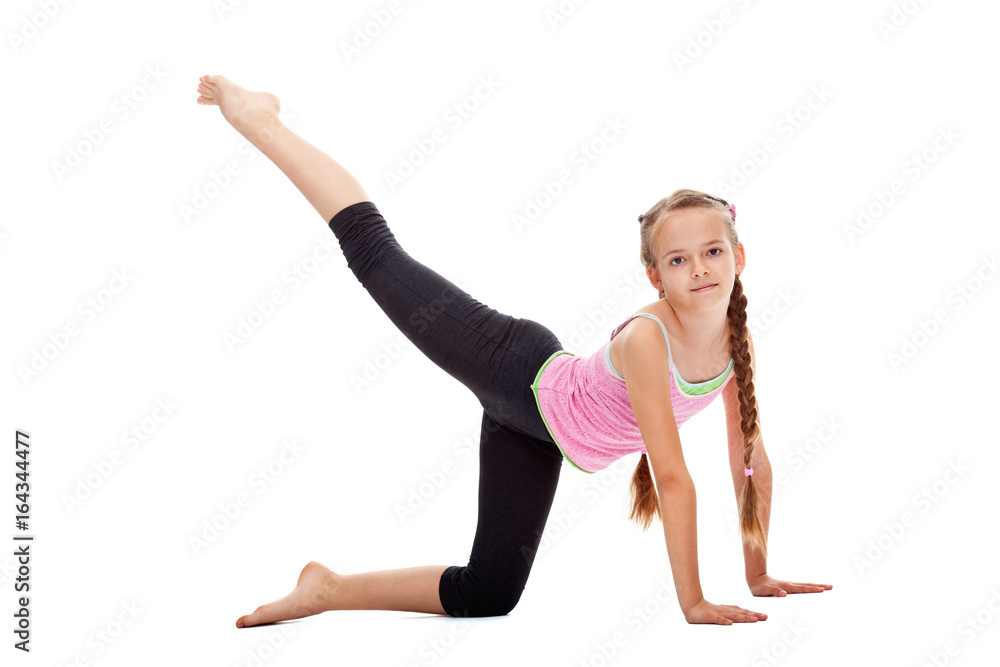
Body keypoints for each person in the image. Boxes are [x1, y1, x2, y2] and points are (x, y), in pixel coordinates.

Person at [195, 74, 832, 628]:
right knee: (376, 256)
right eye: (677, 259)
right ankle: (259, 120)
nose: (698, 269)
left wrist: (758, 573)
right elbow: (673, 477)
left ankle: (326, 590)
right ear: (655, 278)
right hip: (515, 371)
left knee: (489, 594)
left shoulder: (736, 338)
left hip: (540, 434)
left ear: (740, 256)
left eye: (713, 252)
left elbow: (750, 461)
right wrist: (693, 603)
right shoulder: (648, 339)